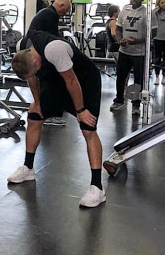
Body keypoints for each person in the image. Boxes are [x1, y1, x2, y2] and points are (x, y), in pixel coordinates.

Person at [7, 29, 105, 208]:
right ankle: (28, 168)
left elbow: (71, 80)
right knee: (34, 117)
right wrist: (37, 102)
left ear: (36, 61)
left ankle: (97, 188)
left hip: (84, 80)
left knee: (88, 129)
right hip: (57, 81)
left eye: (34, 70)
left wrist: (81, 110)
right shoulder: (23, 47)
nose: (34, 74)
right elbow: (31, 77)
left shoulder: (55, 50)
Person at [109, 0, 157, 116]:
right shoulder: (125, 10)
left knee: (137, 79)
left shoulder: (147, 12)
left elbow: (154, 32)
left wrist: (138, 40)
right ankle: (119, 100)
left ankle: (136, 104)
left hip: (139, 53)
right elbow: (118, 29)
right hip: (124, 51)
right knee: (121, 76)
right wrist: (120, 40)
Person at [26, 0, 72, 126]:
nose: (65, 14)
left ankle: (49, 110)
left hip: (37, 49)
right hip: (37, 51)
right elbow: (53, 38)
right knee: (55, 78)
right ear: (61, 5)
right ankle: (50, 114)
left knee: (51, 79)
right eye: (65, 10)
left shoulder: (46, 12)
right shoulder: (51, 14)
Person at [152, 0, 165, 85]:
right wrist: (157, 8)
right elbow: (151, 14)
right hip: (157, 38)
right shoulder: (156, 13)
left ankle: (164, 76)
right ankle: (157, 76)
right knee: (157, 58)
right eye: (162, 3)